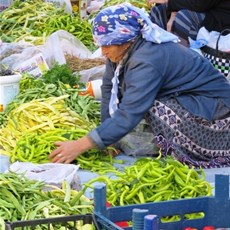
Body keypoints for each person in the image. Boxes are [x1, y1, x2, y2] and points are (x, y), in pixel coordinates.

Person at [49, 3, 230, 168]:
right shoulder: (123, 50)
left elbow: (130, 112)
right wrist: (107, 137)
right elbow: (108, 87)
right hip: (192, 99)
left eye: (107, 46)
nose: (103, 52)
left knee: (155, 107)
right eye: (100, 45)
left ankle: (197, 151)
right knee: (136, 99)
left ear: (126, 40)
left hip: (217, 110)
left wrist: (81, 145)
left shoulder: (146, 59)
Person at [147, 0, 230, 46]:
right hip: (203, 12)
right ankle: (158, 56)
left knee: (183, 18)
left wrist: (170, 3)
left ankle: (182, 62)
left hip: (220, 22)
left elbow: (200, 4)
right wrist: (173, 9)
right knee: (158, 11)